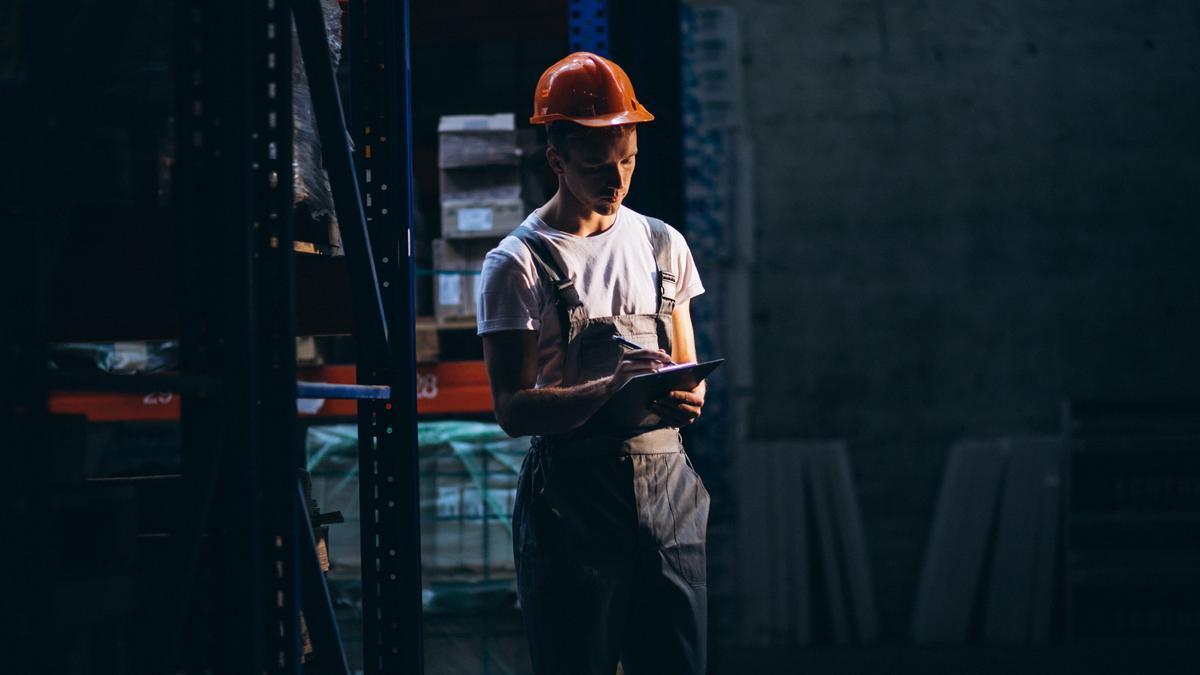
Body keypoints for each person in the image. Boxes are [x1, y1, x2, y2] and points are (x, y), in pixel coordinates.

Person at [476, 52, 711, 674]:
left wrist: (688, 398)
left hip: (670, 489)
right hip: (574, 499)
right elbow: (512, 409)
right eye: (598, 166)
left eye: (628, 161)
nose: (618, 181)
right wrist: (610, 389)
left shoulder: (665, 245)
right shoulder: (518, 263)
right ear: (556, 159)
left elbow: (688, 373)